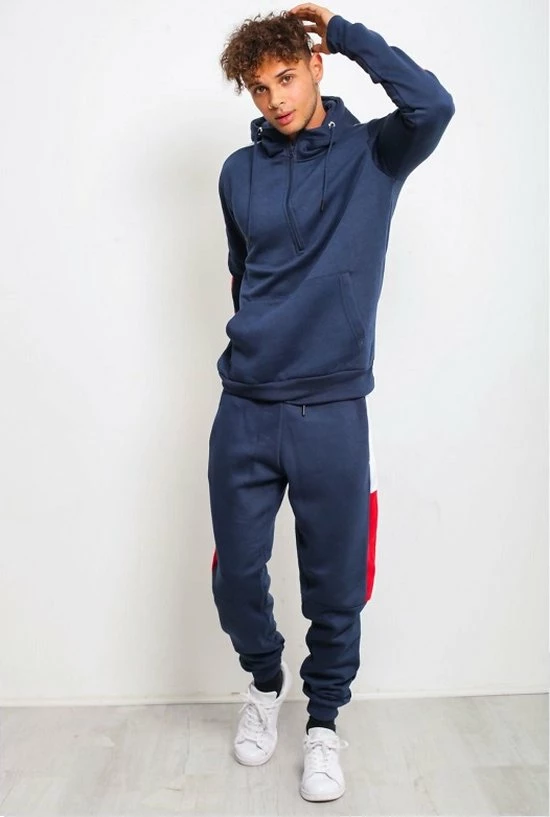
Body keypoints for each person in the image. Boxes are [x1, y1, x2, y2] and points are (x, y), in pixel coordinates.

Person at [208, 2, 454, 802]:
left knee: (337, 584)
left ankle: (322, 722)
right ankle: (263, 681)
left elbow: (433, 104)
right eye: (259, 88)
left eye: (286, 77)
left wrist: (344, 32)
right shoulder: (237, 172)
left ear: (315, 68)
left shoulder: (374, 153)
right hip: (246, 405)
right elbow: (245, 270)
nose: (275, 98)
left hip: (334, 409)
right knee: (235, 575)